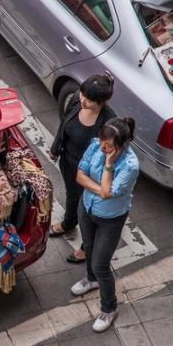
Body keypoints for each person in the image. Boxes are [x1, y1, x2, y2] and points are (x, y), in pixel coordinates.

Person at [69, 117, 139, 333]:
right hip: (88, 207)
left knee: (101, 263)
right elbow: (80, 176)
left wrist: (108, 166)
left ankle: (109, 308)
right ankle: (91, 279)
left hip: (111, 218)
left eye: (108, 146)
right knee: (88, 246)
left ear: (120, 145)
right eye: (102, 142)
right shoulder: (94, 145)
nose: (102, 147)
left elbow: (111, 193)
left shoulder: (130, 165)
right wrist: (100, 189)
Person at [48, 74, 116, 264]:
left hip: (92, 173)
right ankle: (69, 223)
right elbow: (63, 125)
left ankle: (88, 247)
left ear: (101, 101)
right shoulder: (77, 103)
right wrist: (55, 149)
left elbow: (110, 154)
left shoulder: (109, 122)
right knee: (72, 195)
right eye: (82, 94)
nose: (82, 100)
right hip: (68, 161)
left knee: (90, 209)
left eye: (89, 99)